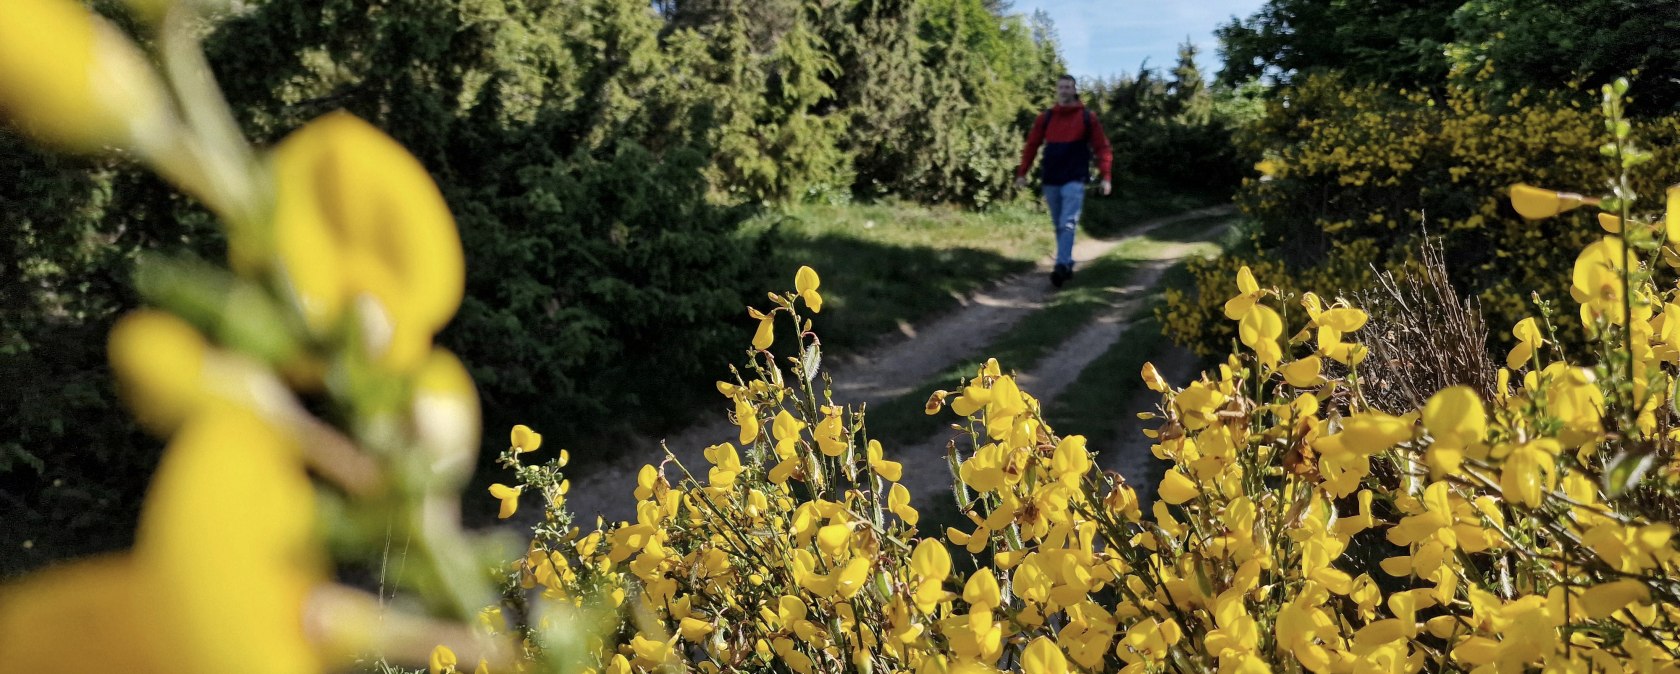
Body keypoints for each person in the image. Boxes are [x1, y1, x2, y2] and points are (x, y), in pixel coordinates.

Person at [1015, 74, 1113, 288]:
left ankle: (1060, 266)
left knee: (1068, 222)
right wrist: (1022, 173)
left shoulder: (1088, 117)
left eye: (1068, 86)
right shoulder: (1046, 118)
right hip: (1051, 178)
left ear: (1074, 90)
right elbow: (1032, 145)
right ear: (1057, 90)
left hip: (1075, 178)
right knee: (1059, 224)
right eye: (1061, 87)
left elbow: (1101, 147)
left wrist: (1106, 176)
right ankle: (1067, 262)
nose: (1065, 90)